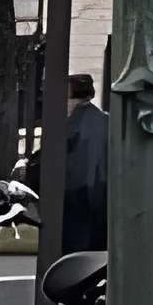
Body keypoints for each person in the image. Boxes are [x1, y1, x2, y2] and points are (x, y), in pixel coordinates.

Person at [55, 74, 110, 261]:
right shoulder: (105, 121)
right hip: (101, 198)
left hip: (76, 199)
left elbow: (55, 160)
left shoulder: (70, 125)